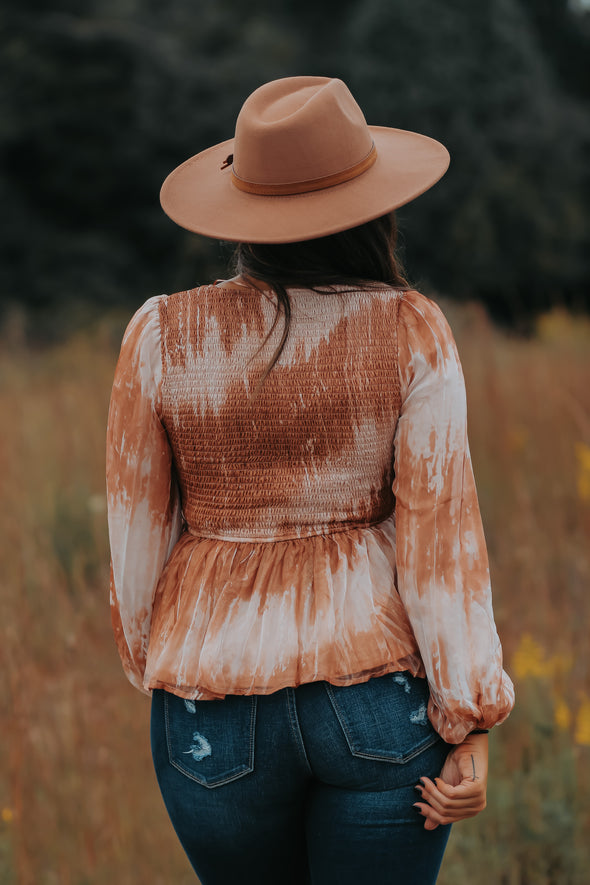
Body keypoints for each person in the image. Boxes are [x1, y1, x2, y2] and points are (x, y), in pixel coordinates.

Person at [106, 76, 514, 885]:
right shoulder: (412, 328)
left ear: (242, 211)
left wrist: (170, 661)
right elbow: (442, 536)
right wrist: (469, 717)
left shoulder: (157, 333)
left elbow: (134, 534)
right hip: (375, 701)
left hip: (209, 701)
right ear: (375, 206)